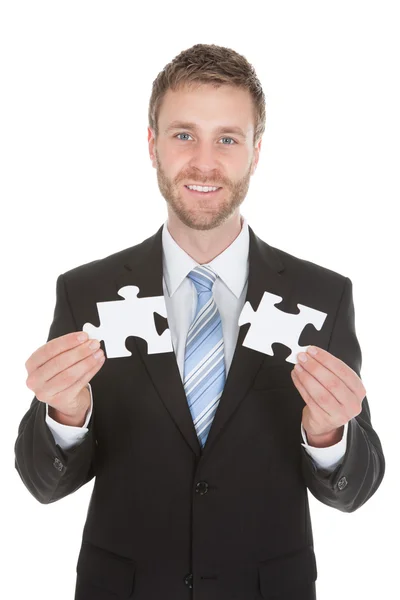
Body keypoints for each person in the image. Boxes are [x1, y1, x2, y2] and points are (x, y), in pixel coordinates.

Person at [15, 43, 385, 600]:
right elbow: (44, 484)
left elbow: (354, 490)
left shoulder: (322, 296)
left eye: (228, 139)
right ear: (152, 145)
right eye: (183, 134)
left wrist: (328, 433)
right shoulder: (85, 293)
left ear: (257, 151)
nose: (205, 162)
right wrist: (66, 414)